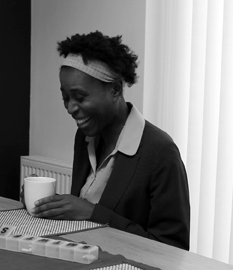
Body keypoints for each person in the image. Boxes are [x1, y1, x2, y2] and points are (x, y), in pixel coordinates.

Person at [31, 31, 190, 250]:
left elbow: (172, 248)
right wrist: (47, 204)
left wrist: (94, 214)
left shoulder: (160, 151)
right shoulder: (85, 137)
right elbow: (85, 209)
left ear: (115, 90)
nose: (70, 108)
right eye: (65, 97)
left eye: (80, 97)